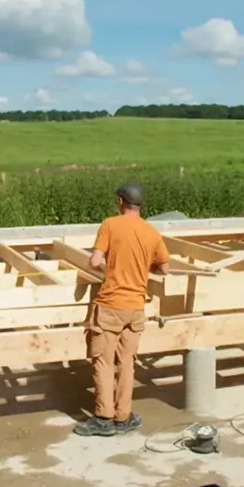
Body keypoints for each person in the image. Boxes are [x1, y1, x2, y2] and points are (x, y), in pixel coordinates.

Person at [74, 182, 170, 437]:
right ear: (140, 205)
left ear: (120, 202)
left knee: (104, 362)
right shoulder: (151, 232)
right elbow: (164, 268)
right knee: (127, 363)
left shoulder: (110, 225)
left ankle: (104, 418)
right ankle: (123, 417)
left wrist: (110, 270)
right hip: (136, 307)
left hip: (111, 306)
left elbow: (94, 261)